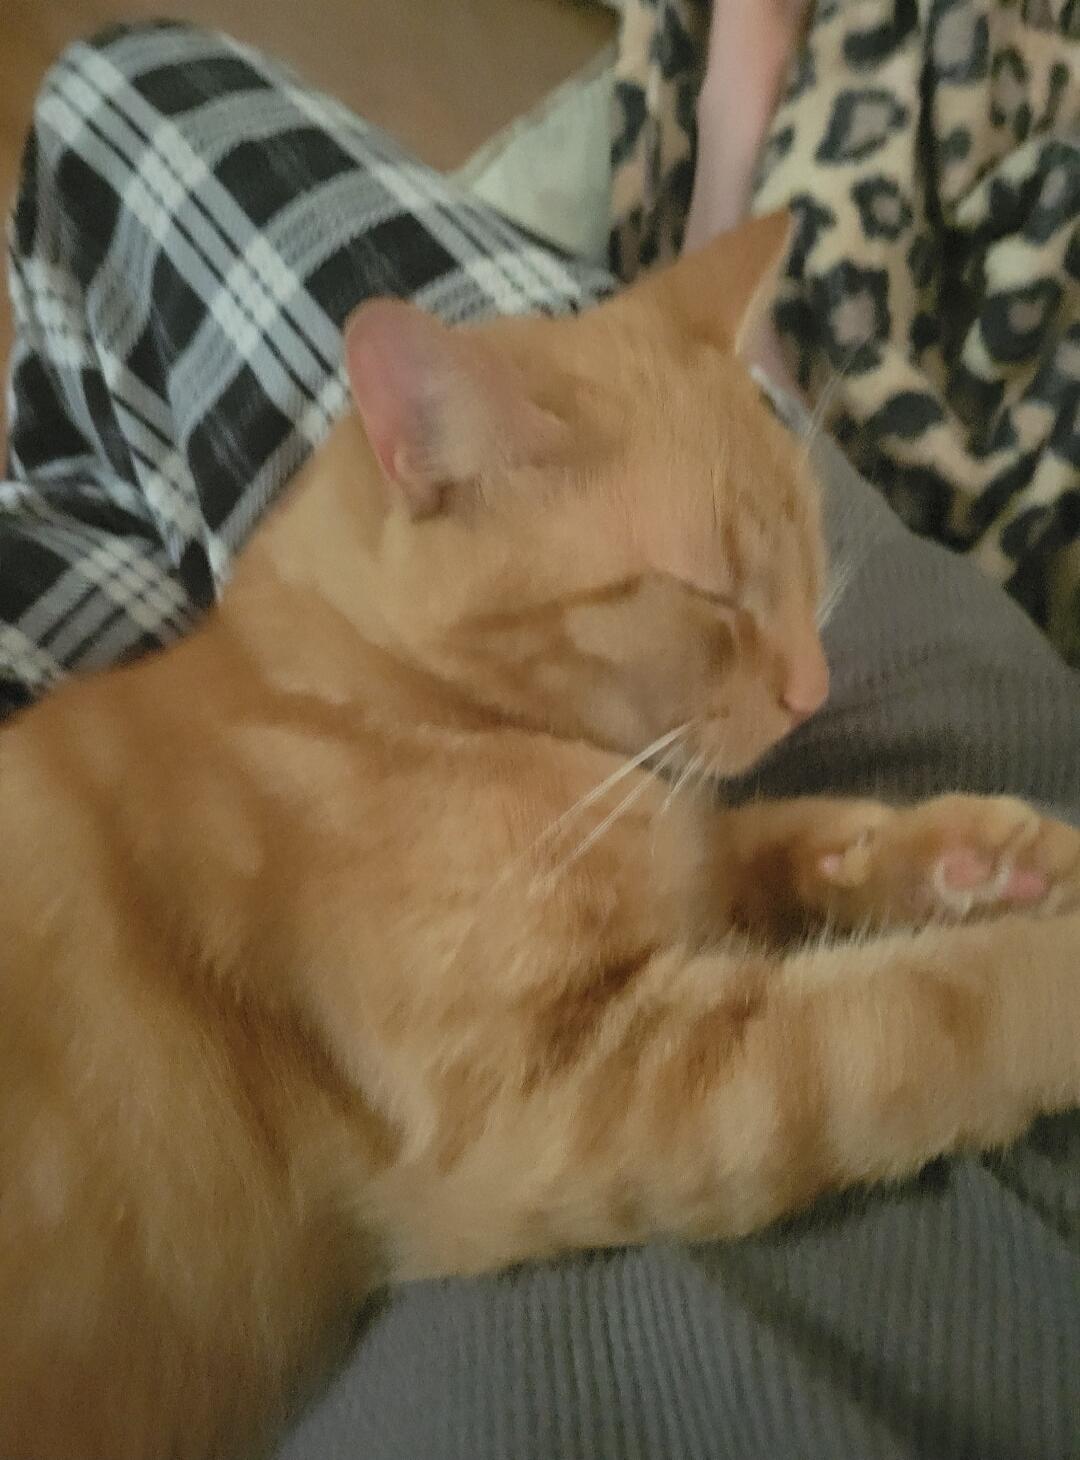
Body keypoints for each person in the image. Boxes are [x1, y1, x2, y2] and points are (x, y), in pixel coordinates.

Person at [3, 23, 1079, 1460]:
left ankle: (68, 454)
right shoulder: (316, 779)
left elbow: (483, 953)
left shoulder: (346, 716)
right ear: (429, 463)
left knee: (107, 115)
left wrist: (760, 872)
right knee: (119, 88)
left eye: (800, 594)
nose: (814, 688)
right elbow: (572, 1111)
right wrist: (1030, 1001)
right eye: (721, 615)